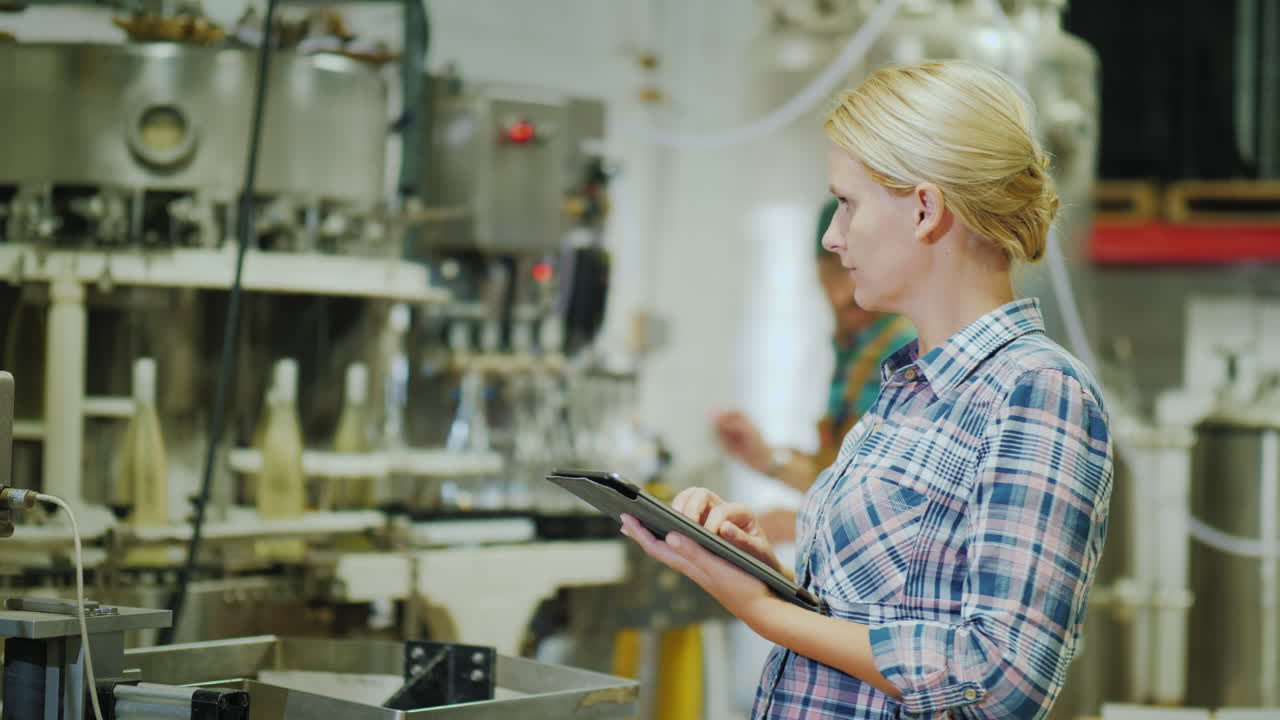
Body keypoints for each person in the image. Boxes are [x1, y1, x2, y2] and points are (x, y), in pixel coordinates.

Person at [620, 60, 1113, 720]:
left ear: (925, 209)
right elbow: (882, 621)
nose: (832, 235)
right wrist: (764, 573)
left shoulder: (1037, 392)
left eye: (848, 204)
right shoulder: (910, 389)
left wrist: (766, 614)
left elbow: (998, 678)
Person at [713, 198, 915, 540]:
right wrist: (767, 460)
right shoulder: (853, 348)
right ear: (817, 270)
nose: (847, 292)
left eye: (857, 269)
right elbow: (845, 478)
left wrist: (799, 522)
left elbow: (898, 502)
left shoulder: (905, 351)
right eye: (834, 269)